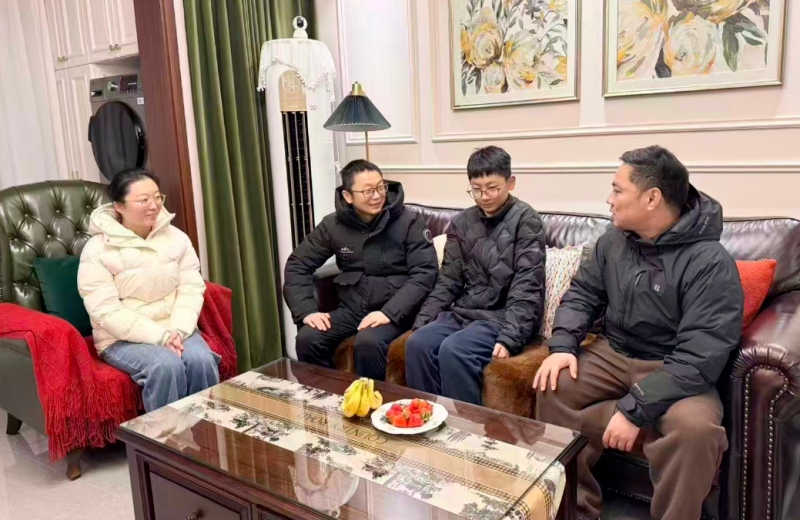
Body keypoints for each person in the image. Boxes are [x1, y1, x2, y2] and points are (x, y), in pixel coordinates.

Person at [534, 146, 744, 520]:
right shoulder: (612, 241)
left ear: (651, 198)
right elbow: (582, 294)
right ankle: (575, 509)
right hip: (613, 352)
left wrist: (634, 410)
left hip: (674, 365)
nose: (609, 199)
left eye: (618, 190)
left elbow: (700, 356)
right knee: (553, 383)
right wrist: (563, 345)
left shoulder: (711, 262)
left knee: (695, 431)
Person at [405, 146, 546, 405]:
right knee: (417, 344)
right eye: (476, 189)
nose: (484, 196)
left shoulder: (527, 220)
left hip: (503, 317)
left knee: (454, 350)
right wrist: (422, 321)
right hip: (464, 312)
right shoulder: (461, 222)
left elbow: (527, 284)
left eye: (492, 188)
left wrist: (511, 337)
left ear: (511, 183)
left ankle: (466, 426)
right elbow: (449, 280)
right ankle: (428, 417)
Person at [78, 168, 220, 412]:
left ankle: (206, 431)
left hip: (176, 328)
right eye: (143, 200)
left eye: (157, 197)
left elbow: (191, 288)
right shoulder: (97, 249)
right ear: (119, 206)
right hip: (122, 338)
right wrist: (160, 337)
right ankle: (166, 436)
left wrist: (178, 330)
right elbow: (105, 311)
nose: (153, 206)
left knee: (201, 360)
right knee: (165, 365)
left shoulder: (177, 238)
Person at [284, 159, 438, 380]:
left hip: (397, 311)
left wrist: (389, 312)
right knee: (308, 338)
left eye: (380, 187)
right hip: (353, 309)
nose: (377, 196)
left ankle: (373, 400)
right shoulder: (332, 225)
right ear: (348, 196)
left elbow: (425, 273)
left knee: (368, 343)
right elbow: (298, 264)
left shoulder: (409, 221)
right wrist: (306, 311)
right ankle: (326, 396)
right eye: (367, 191)